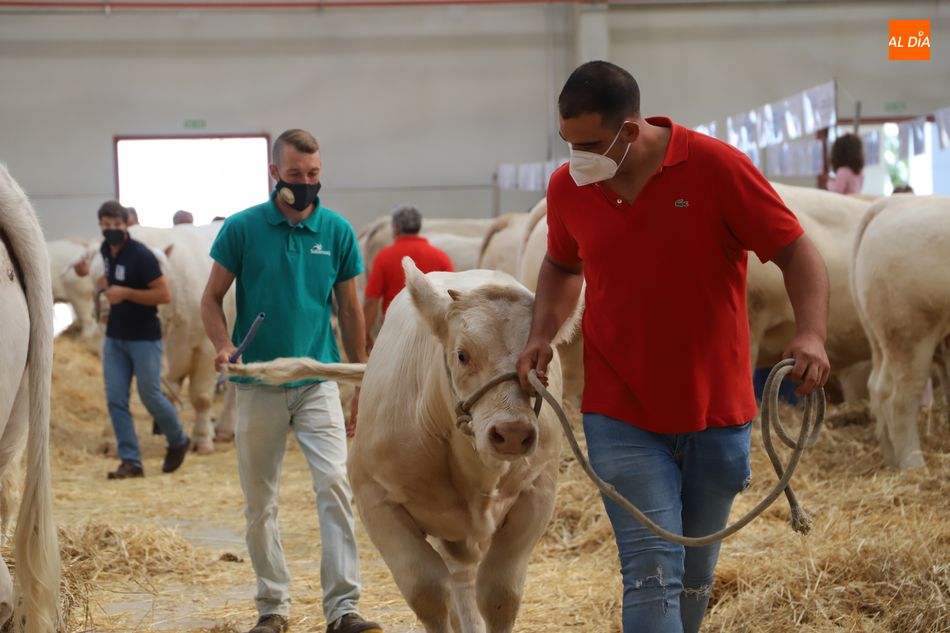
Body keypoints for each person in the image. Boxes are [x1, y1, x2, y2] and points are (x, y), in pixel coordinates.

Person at [516, 61, 830, 633]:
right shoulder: (569, 186)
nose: (574, 157)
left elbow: (797, 252)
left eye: (587, 144)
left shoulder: (717, 168)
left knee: (693, 573)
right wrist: (542, 333)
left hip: (718, 408)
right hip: (619, 409)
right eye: (566, 142)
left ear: (630, 130)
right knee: (651, 570)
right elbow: (562, 265)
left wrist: (810, 331)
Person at [201, 129, 382, 633]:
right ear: (274, 173)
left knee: (335, 486)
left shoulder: (337, 231)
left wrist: (359, 375)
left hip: (318, 378)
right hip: (258, 384)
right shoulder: (242, 229)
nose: (306, 184)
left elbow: (349, 309)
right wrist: (221, 344)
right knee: (261, 500)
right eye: (296, 175)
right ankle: (272, 606)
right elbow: (210, 297)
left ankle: (344, 609)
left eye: (315, 175)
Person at [93, 200, 190, 479]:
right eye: (107, 224)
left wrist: (125, 293)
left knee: (150, 396)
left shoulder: (142, 255)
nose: (112, 229)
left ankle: (178, 438)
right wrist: (105, 288)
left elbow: (163, 295)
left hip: (144, 337)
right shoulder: (104, 250)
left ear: (127, 225)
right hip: (115, 337)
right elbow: (112, 283)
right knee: (115, 399)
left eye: (117, 224)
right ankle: (131, 461)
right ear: (101, 225)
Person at [362, 204, 453, 345]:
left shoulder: (384, 257)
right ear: (418, 227)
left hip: (395, 333)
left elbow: (371, 302)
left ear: (395, 229)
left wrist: (364, 334)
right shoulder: (441, 257)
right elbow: (451, 300)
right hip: (430, 336)